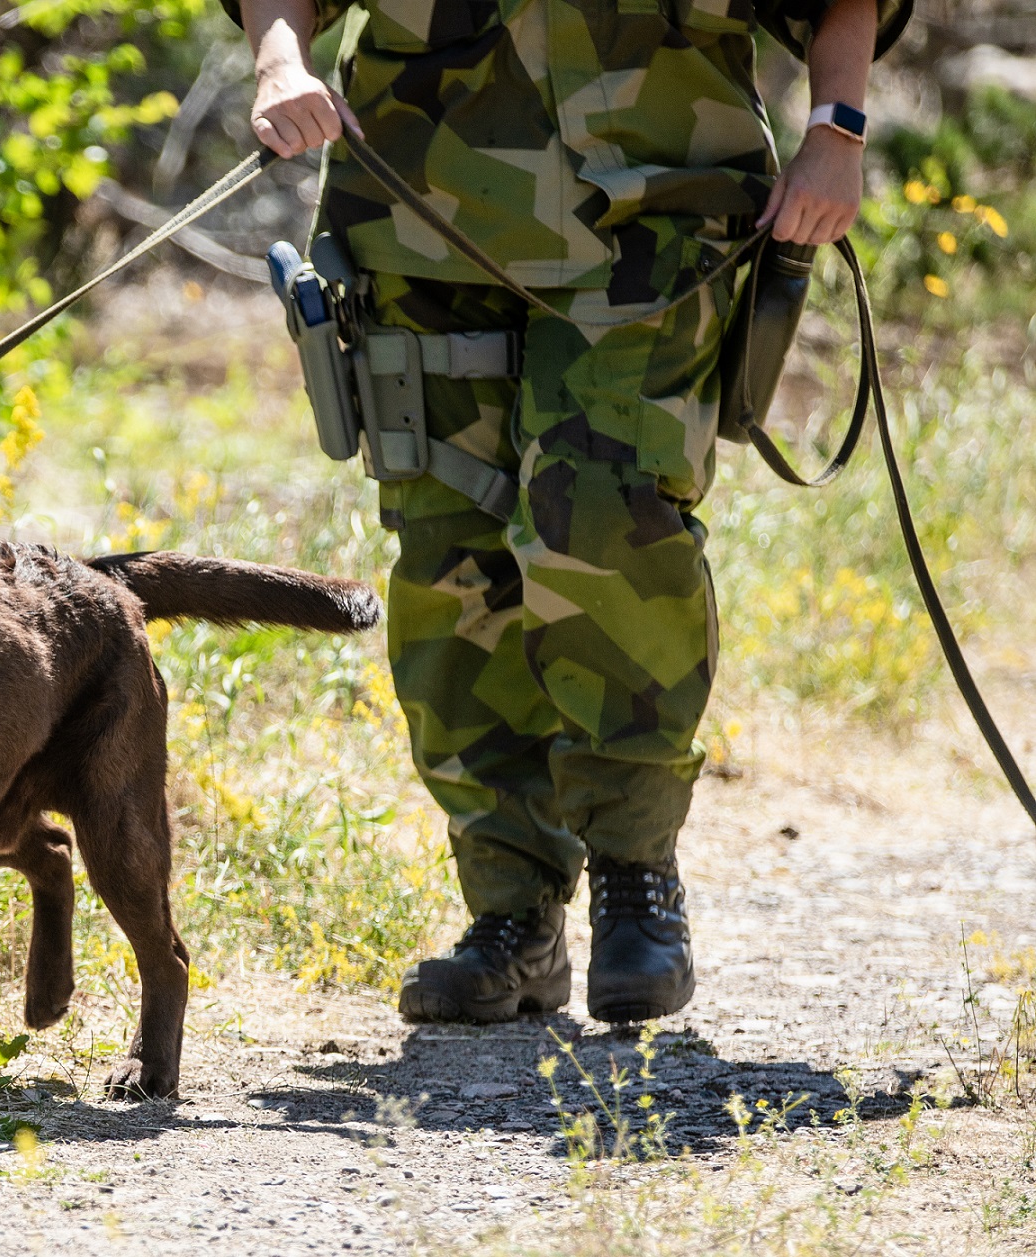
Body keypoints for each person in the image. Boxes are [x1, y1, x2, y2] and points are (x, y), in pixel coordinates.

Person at [227, 0, 912, 1023]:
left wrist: (836, 129)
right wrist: (279, 64)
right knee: (450, 559)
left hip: (655, 221)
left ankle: (636, 878)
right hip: (422, 218)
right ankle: (511, 919)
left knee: (608, 523)